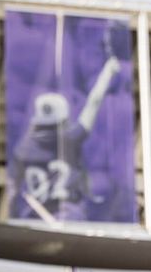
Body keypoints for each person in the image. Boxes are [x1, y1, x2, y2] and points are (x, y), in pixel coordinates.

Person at [10, 55, 121, 221]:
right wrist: (108, 72)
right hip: (69, 213)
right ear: (63, 119)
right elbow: (94, 102)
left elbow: (13, 189)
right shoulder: (71, 138)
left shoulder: (22, 151)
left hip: (34, 217)